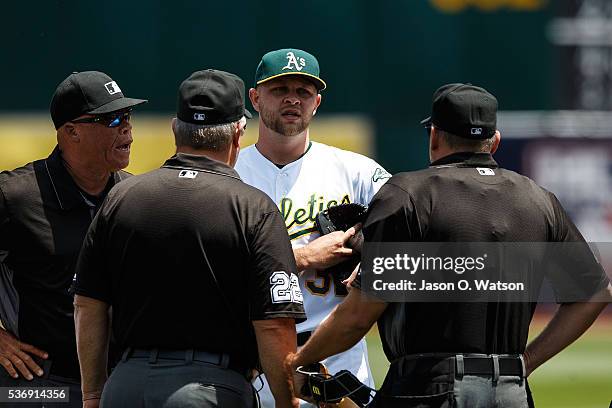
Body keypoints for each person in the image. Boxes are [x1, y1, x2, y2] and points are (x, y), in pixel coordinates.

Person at [288, 83, 612, 407]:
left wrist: (299, 360)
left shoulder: (408, 195)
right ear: (494, 141)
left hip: (428, 387)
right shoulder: (539, 200)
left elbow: (358, 317)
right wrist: (524, 363)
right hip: (511, 394)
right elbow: (594, 294)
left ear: (434, 136)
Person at [73, 69, 306, 408]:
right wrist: (287, 402)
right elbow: (274, 325)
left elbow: (88, 304)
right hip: (209, 389)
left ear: (174, 128)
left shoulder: (122, 197)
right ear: (238, 132)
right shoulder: (252, 207)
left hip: (126, 385)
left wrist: (93, 394)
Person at [234, 48, 390, 406]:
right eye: (280, 89)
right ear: (255, 99)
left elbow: (411, 229)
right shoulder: (232, 175)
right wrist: (302, 255)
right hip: (255, 358)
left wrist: (376, 256)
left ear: (317, 102)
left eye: (303, 91)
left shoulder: (357, 171)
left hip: (339, 354)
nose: (293, 99)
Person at [0, 71, 146, 407]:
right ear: (71, 132)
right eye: (109, 119)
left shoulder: (135, 196)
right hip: (39, 384)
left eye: (127, 115)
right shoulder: (16, 196)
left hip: (119, 381)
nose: (126, 127)